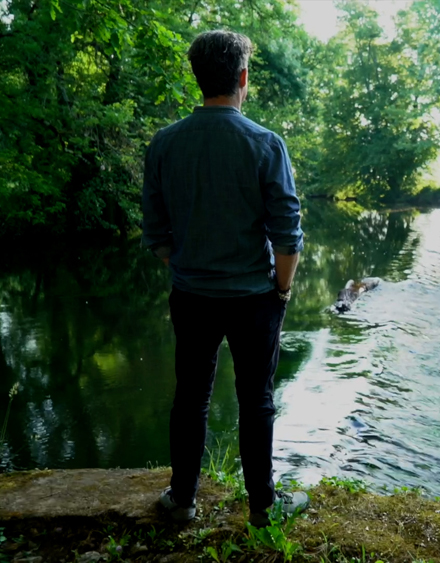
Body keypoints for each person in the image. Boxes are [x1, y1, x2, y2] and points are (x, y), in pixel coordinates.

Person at [141, 29, 307, 528]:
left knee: (190, 396)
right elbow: (287, 233)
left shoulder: (165, 144)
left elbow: (157, 233)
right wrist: (281, 289)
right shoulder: (264, 143)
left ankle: (182, 499)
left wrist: (189, 267)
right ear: (242, 77)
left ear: (198, 78)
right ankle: (263, 508)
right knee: (256, 397)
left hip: (191, 296)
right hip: (255, 297)